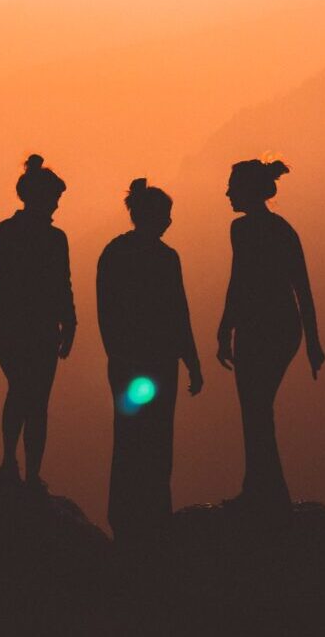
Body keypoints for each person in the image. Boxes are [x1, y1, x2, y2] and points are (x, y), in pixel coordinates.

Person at [215, 158, 324, 514]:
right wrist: (225, 327)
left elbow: (298, 286)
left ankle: (266, 492)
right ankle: (262, 488)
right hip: (267, 326)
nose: (228, 192)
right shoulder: (265, 230)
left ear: (248, 190)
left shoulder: (260, 231)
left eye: (233, 185)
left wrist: (314, 343)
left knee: (256, 407)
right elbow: (243, 280)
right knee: (256, 408)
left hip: (268, 328)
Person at [96, 178, 202, 542]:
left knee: (130, 435)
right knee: (155, 437)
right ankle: (151, 513)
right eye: (166, 214)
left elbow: (107, 312)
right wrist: (192, 361)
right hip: (153, 362)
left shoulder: (115, 253)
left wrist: (118, 354)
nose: (170, 221)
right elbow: (178, 313)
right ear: (151, 216)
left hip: (135, 363)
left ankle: (128, 514)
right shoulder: (162, 258)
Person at [0, 154, 77, 491]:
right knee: (32, 397)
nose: (56, 206)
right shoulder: (50, 239)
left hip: (16, 328)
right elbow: (59, 285)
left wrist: (70, 321)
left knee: (26, 393)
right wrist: (68, 322)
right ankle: (24, 471)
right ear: (37, 197)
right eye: (54, 199)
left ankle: (16, 466)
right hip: (31, 329)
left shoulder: (2, 234)